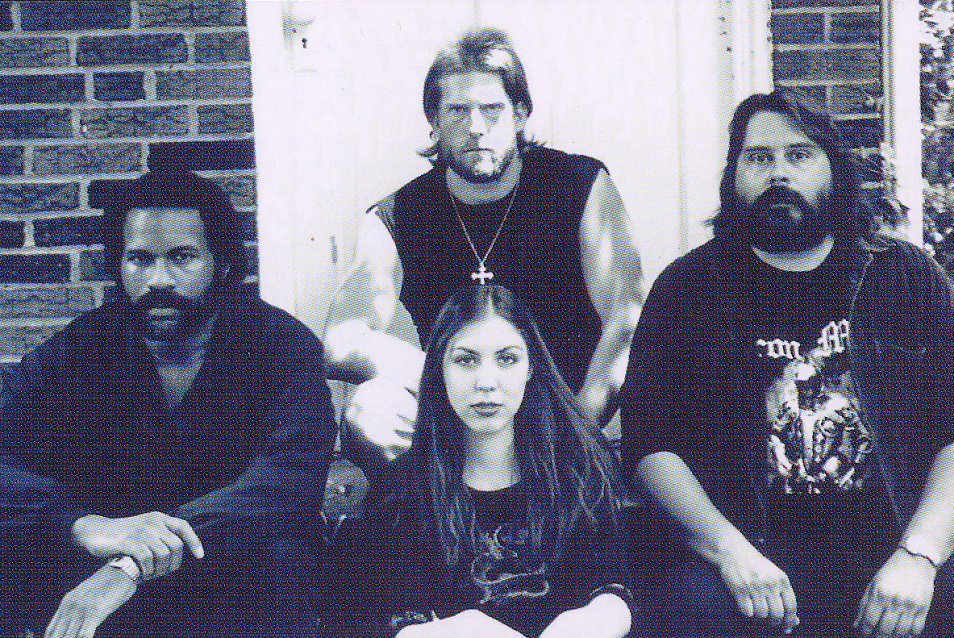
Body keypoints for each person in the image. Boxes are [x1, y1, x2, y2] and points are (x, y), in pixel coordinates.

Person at [621, 89, 954, 638]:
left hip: (891, 546)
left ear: (834, 169)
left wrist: (918, 557)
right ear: (734, 176)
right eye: (758, 157)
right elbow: (650, 448)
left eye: (798, 155)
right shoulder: (687, 289)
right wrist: (729, 551)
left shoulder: (905, 276)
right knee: (682, 614)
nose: (778, 172)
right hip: (745, 554)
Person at [0, 169, 335, 637]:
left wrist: (134, 563)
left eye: (182, 257)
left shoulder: (279, 345)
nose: (158, 280)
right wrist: (83, 526)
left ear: (221, 263)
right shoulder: (82, 349)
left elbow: (288, 478)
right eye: (139, 259)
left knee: (282, 554)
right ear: (118, 266)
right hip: (108, 588)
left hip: (231, 575)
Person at [323, 27, 644, 476]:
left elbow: (626, 321)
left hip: (559, 418)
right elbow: (342, 339)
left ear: (520, 114)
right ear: (434, 123)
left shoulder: (579, 187)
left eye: (492, 109)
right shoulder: (398, 214)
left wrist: (579, 429)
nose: (476, 127)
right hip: (457, 418)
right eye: (457, 110)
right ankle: (443, 512)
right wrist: (450, 372)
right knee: (369, 411)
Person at [354, 284, 633, 638]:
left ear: (531, 368)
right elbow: (394, 619)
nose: (486, 382)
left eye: (507, 359)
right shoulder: (404, 491)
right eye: (466, 360)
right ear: (439, 369)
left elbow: (615, 591)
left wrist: (590, 623)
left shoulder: (579, 474)